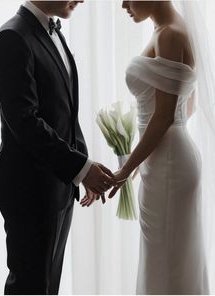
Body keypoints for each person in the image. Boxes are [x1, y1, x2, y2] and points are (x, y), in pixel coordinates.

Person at [0, 1, 115, 294]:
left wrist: (81, 168)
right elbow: (26, 123)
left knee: (47, 286)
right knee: (31, 287)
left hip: (58, 186)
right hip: (29, 191)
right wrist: (81, 170)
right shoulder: (12, 37)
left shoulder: (53, 31)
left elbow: (64, 113)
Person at [82, 0, 209, 294]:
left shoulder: (170, 34)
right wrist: (139, 163)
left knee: (165, 256)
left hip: (169, 164)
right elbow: (186, 106)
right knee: (166, 253)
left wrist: (127, 168)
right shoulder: (167, 30)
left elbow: (165, 116)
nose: (124, 5)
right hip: (166, 157)